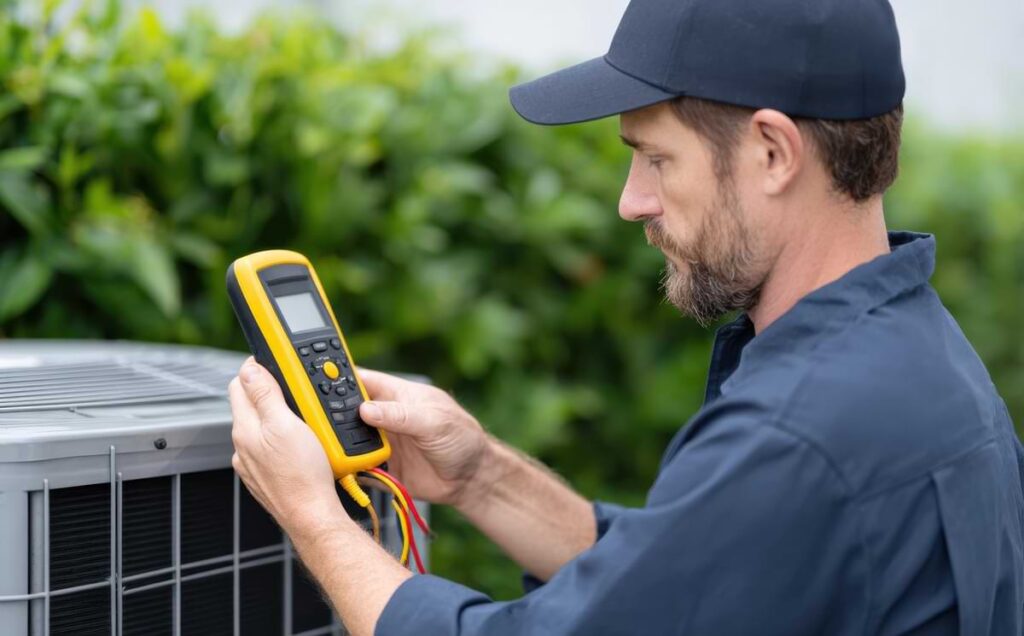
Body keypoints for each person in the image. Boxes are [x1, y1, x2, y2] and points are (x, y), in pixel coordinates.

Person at [228, 0, 1024, 633]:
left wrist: (312, 519)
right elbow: (675, 587)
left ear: (774, 153)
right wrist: (480, 476)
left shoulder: (801, 436)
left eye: (656, 157)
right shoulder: (924, 363)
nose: (630, 202)